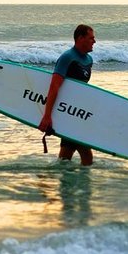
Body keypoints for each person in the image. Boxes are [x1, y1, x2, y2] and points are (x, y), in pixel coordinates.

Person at [38, 24, 96, 165]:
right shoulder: (67, 58)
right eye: (91, 38)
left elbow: (81, 90)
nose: (94, 41)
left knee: (67, 156)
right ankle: (77, 184)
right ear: (80, 38)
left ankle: (55, 180)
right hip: (68, 114)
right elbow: (54, 87)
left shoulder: (89, 60)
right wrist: (47, 116)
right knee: (86, 157)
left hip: (77, 114)